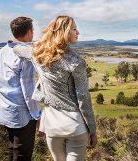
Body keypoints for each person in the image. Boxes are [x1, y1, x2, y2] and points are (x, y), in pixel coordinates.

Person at [14, 16, 97, 161]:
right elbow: (83, 98)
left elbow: (17, 48)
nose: (78, 32)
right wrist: (93, 130)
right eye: (74, 29)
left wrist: (42, 43)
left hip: (52, 125)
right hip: (74, 126)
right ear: (64, 32)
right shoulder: (77, 61)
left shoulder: (38, 54)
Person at [0, 17, 41, 161]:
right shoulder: (25, 56)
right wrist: (37, 115)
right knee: (22, 155)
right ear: (29, 31)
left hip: (5, 112)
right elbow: (28, 91)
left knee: (12, 150)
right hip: (23, 116)